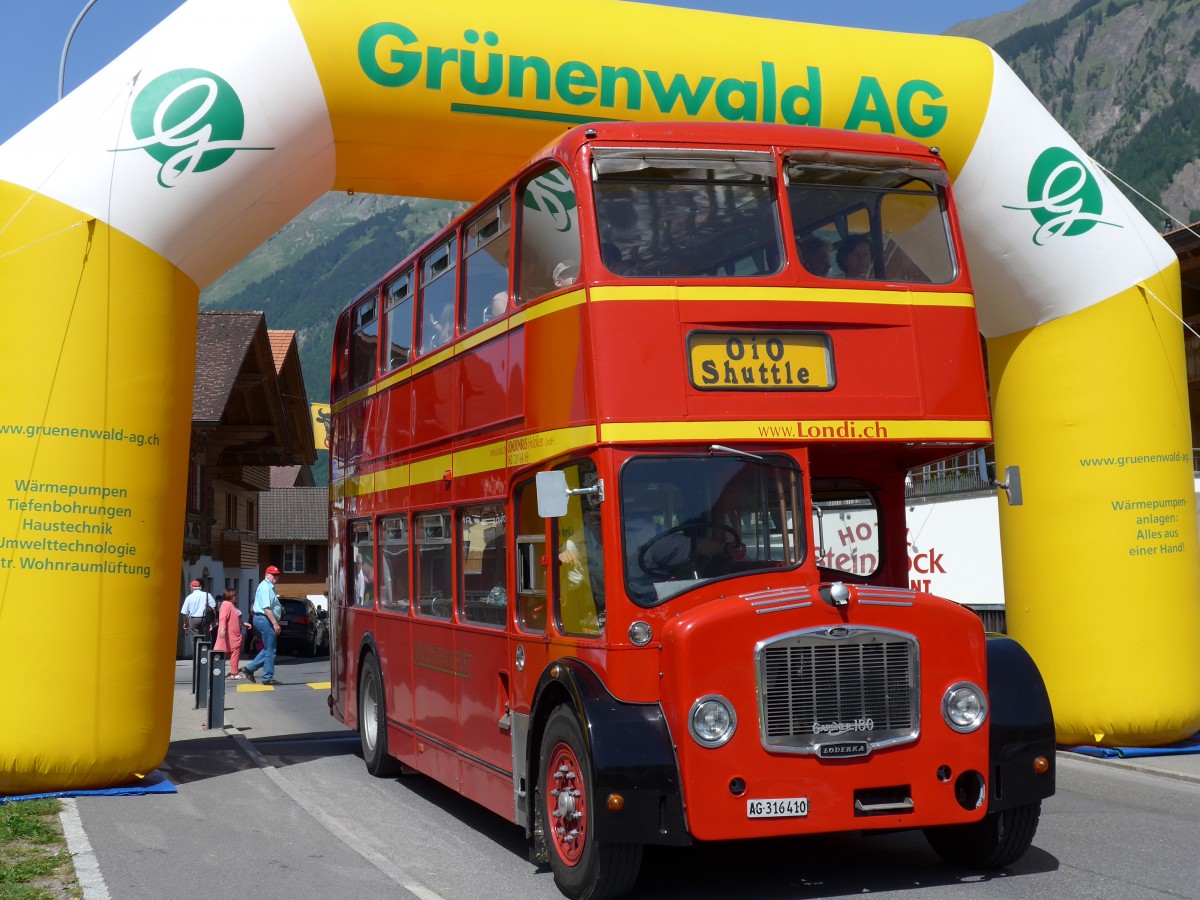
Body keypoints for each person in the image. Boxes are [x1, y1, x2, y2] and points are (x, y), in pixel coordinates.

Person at [241, 565, 282, 685]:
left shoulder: (268, 587)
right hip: (264, 619)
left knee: (268, 648)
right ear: (266, 575)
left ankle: (250, 669)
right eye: (273, 574)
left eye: (277, 574)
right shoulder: (265, 588)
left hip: (262, 619)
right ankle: (267, 677)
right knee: (270, 649)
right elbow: (266, 608)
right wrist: (275, 623)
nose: (275, 577)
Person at [214, 589, 249, 679]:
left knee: (234, 653)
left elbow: (235, 618)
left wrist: (243, 624)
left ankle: (234, 672)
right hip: (229, 633)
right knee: (227, 652)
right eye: (234, 595)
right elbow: (223, 618)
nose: (236, 596)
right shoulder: (227, 604)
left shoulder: (231, 605)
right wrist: (222, 629)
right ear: (229, 595)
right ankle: (233, 673)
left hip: (233, 633)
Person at [179, 579, 215, 649]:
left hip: (193, 619)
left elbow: (184, 613)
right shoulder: (208, 595)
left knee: (195, 639)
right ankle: (204, 655)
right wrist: (212, 621)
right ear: (200, 587)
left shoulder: (189, 597)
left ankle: (196, 655)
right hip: (205, 619)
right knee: (205, 638)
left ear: (192, 588)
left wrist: (185, 623)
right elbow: (213, 609)